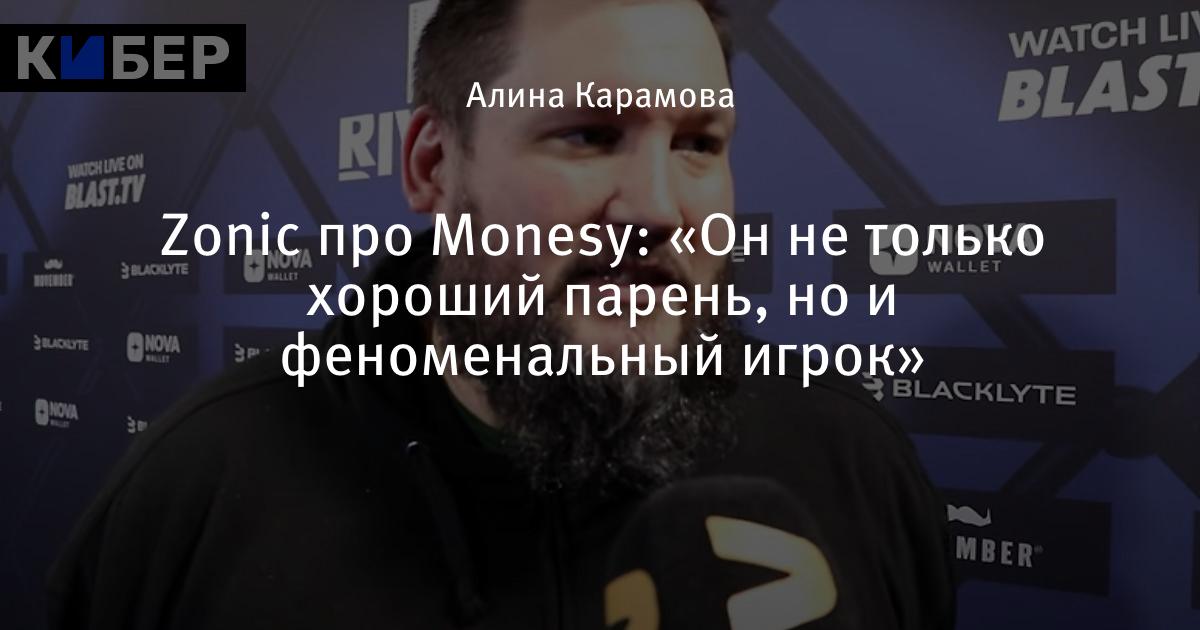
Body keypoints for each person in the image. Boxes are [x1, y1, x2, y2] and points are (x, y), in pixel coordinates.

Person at [48, 0, 956, 628]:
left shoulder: (849, 464)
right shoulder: (202, 489)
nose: (656, 207)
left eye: (697, 144)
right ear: (433, 167)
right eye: (589, 135)